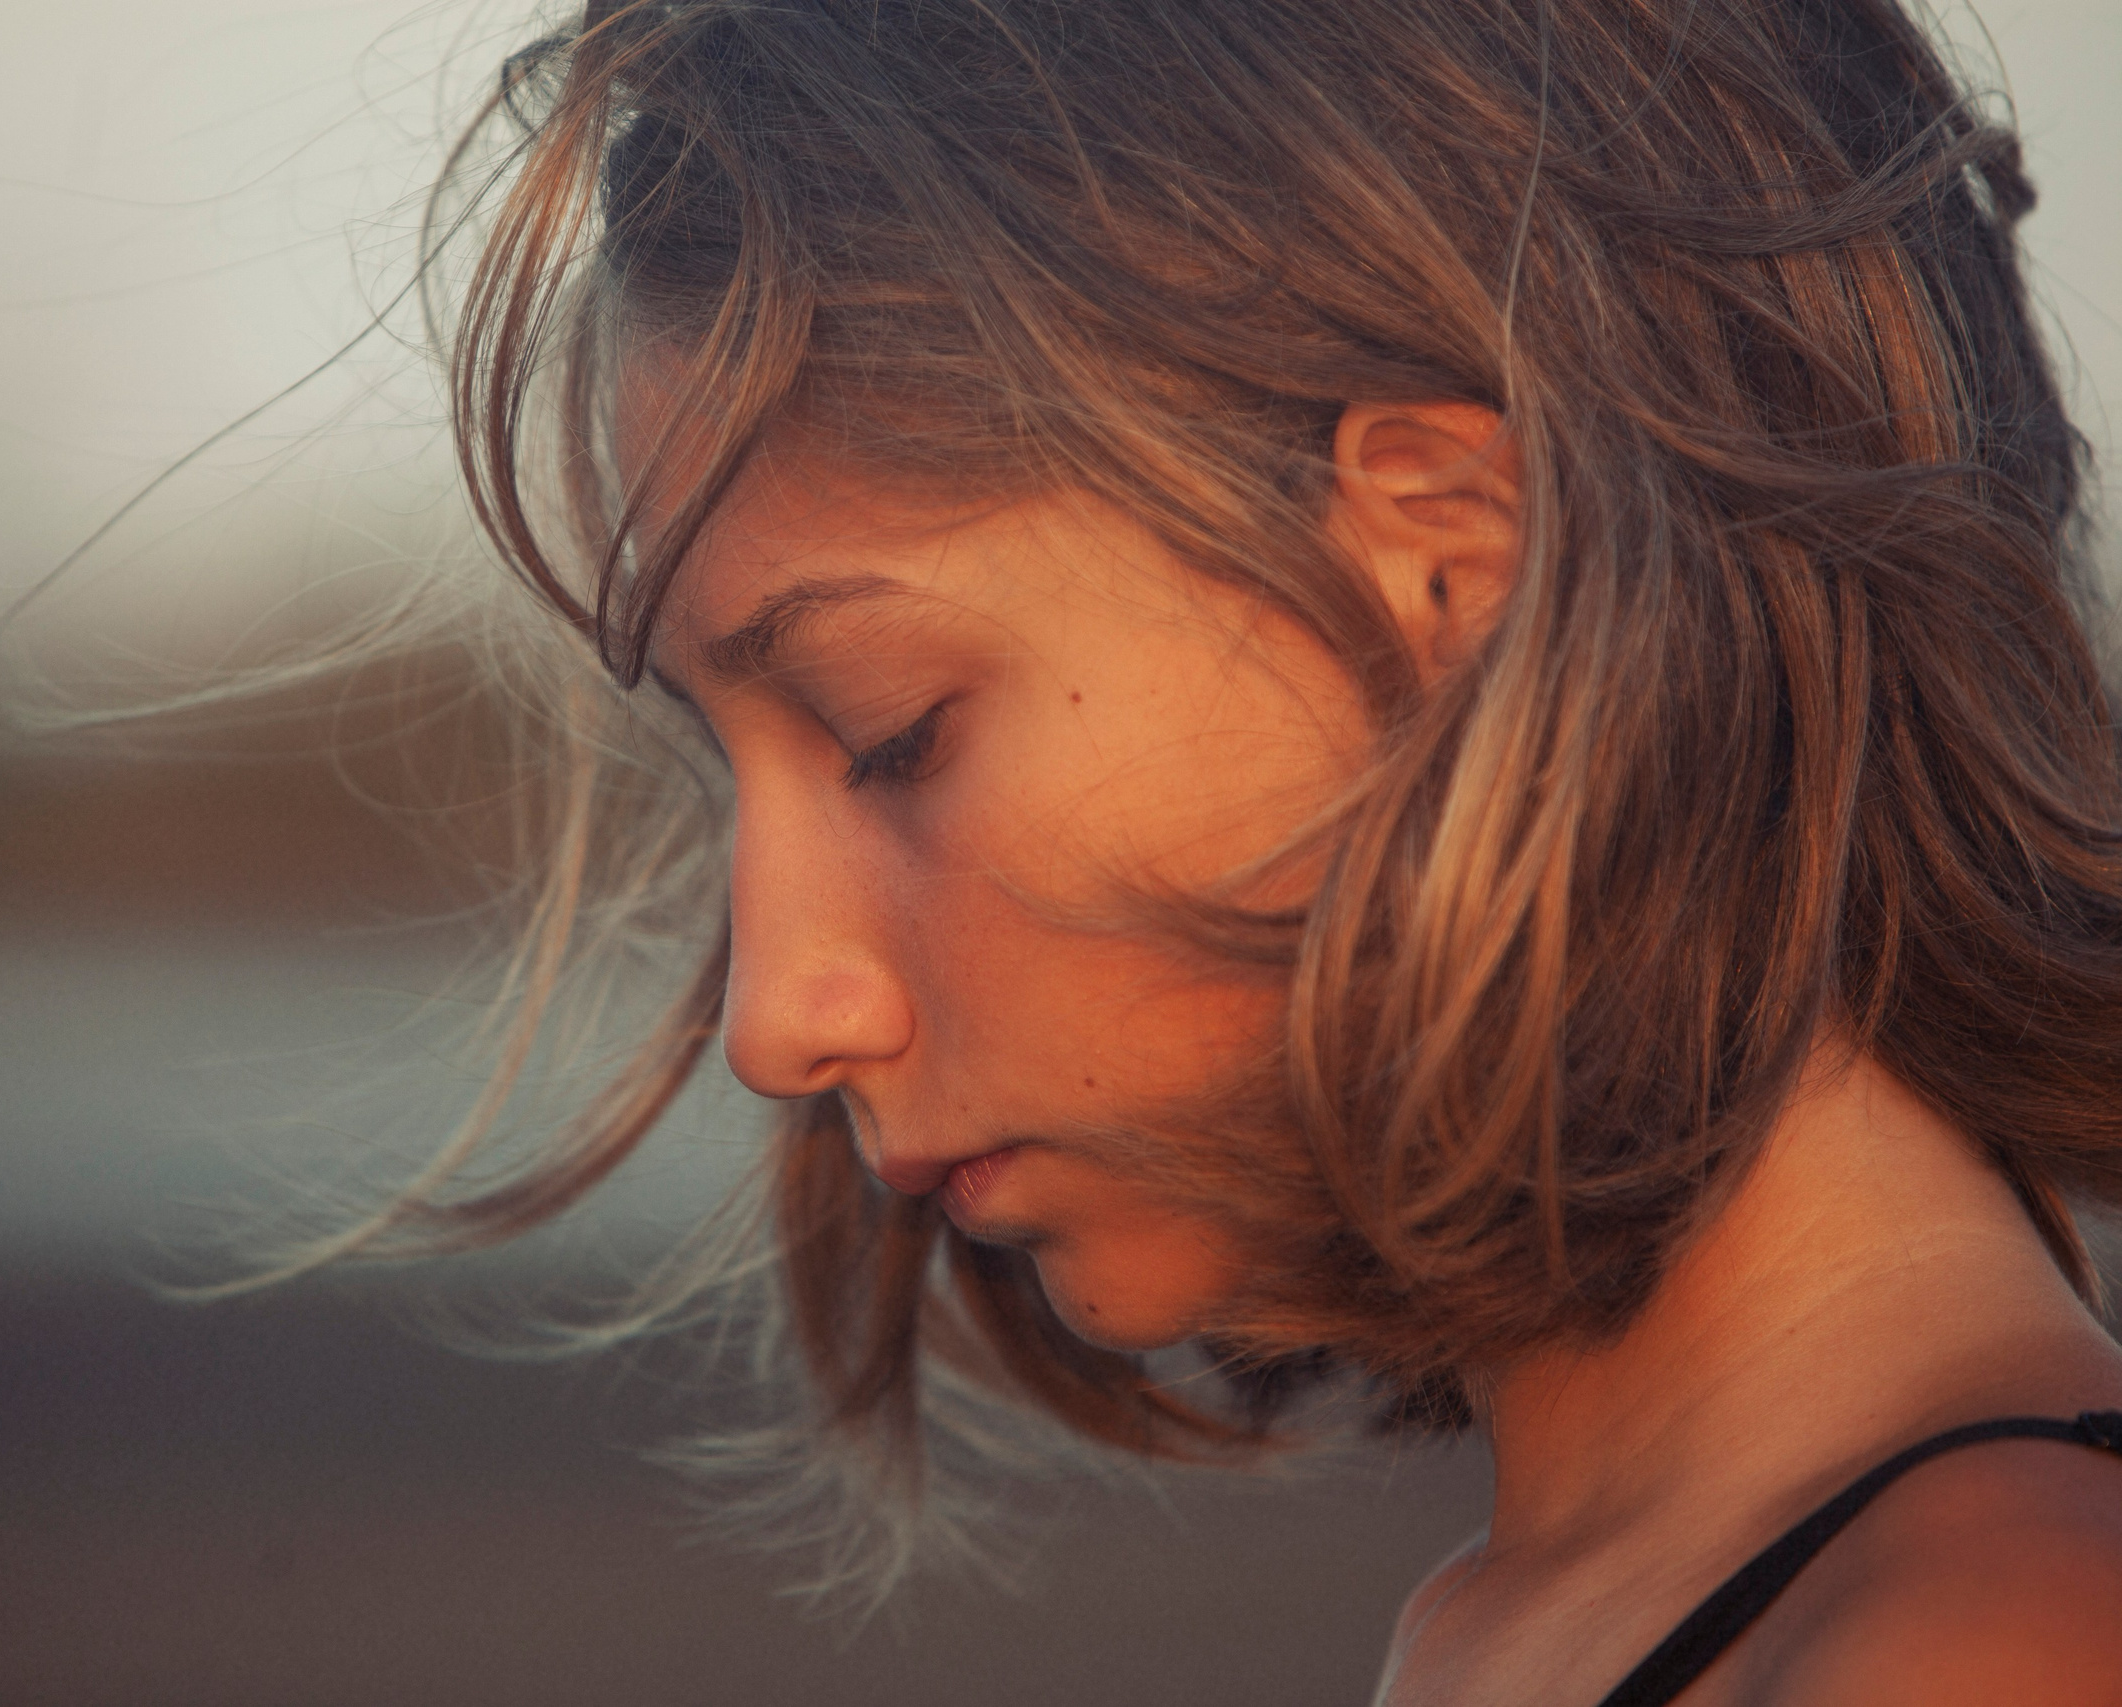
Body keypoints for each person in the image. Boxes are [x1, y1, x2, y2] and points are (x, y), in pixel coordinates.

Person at [341, 0, 2122, 1698]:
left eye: (890, 735)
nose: (780, 1021)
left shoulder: (1995, 1647)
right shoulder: (1556, 1619)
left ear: (1458, 582)